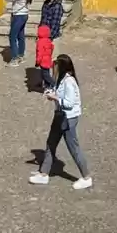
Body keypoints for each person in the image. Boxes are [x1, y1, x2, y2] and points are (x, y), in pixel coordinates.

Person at [28, 53, 93, 189]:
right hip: (60, 116)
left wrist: (55, 98)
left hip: (67, 118)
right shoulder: (63, 79)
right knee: (51, 143)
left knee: (73, 148)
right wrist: (51, 92)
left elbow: (69, 103)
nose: (53, 68)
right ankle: (44, 174)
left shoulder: (69, 82)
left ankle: (86, 177)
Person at [4, 0, 32, 65]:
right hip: (24, 16)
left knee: (12, 37)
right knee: (20, 36)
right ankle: (21, 55)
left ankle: (15, 59)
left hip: (18, 16)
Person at [35, 22, 55, 90]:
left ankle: (54, 84)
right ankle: (47, 85)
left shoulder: (40, 42)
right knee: (46, 73)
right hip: (48, 60)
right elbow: (52, 48)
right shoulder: (48, 40)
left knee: (45, 75)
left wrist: (37, 62)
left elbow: (39, 53)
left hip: (43, 61)